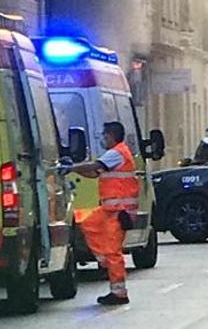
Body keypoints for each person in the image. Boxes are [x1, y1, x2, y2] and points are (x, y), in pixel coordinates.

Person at [58, 122, 139, 305]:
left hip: (118, 213)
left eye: (104, 135)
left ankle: (119, 293)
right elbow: (95, 172)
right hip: (110, 210)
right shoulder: (117, 154)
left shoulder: (117, 153)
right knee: (85, 221)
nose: (102, 138)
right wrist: (74, 169)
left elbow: (95, 165)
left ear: (111, 135)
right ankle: (104, 262)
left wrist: (71, 167)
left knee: (113, 252)